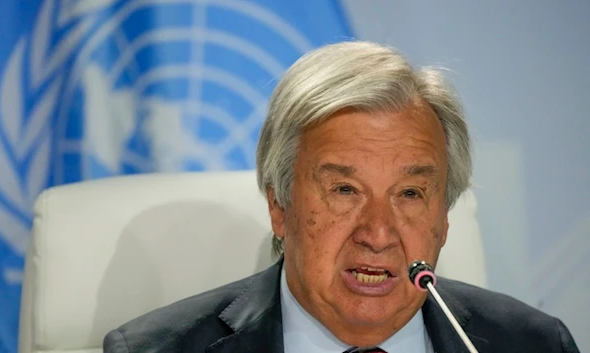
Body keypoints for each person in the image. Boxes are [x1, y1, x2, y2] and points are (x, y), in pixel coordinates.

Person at [103, 41, 579, 353]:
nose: (378, 234)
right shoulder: (154, 349)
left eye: (410, 193)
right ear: (278, 206)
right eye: (345, 190)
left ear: (445, 218)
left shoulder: (537, 344)